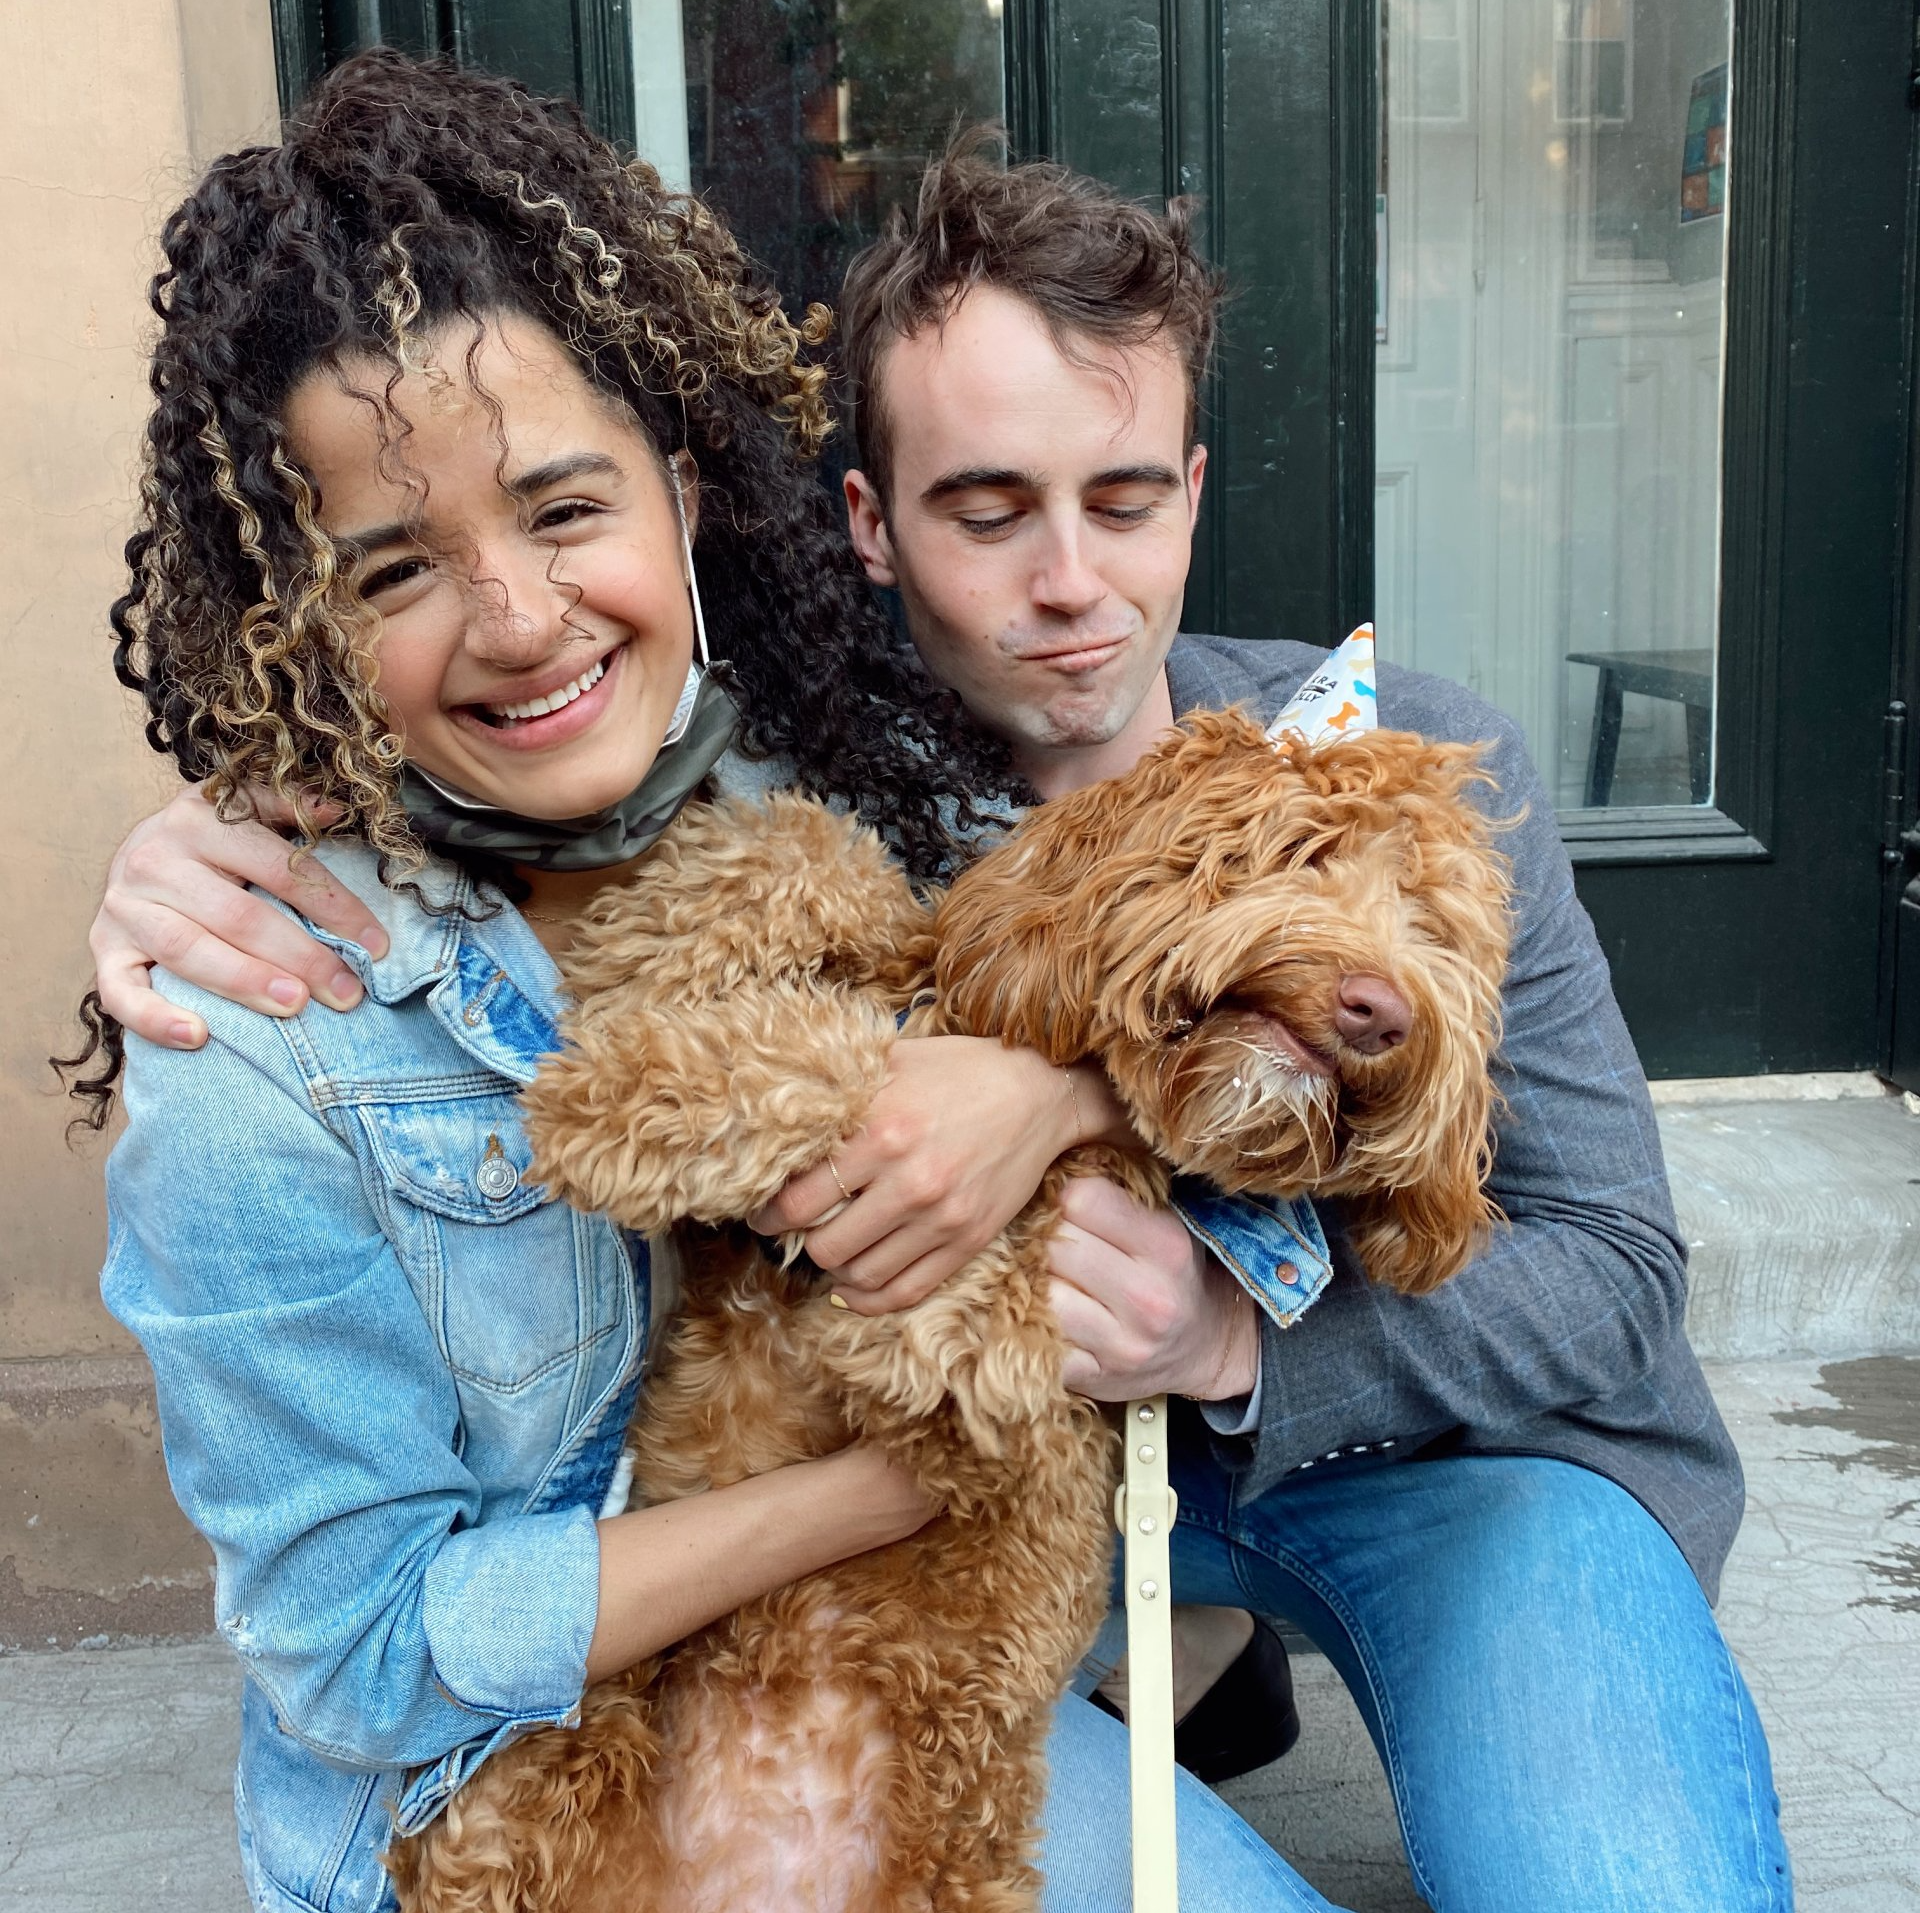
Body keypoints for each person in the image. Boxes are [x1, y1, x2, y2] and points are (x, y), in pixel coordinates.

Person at [84, 131, 1794, 1913]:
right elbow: (486, 770)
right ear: (866, 528)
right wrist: (208, 821)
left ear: (1195, 493)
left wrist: (1205, 1311)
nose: (1071, 583)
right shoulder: (805, 779)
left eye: (1125, 500)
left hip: (1452, 1463)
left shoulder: (1411, 769)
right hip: (981, 1519)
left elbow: (1610, 1264)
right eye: (986, 511)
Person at [69, 55, 1322, 1913]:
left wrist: (1054, 1097)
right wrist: (890, 1493)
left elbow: (1204, 1076)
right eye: (398, 565)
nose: (518, 620)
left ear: (676, 483)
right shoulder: (256, 1041)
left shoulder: (843, 787)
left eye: (565, 510)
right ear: (301, 622)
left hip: (874, 1678)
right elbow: (363, 1663)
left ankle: (1184, 1664)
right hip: (499, 1811)